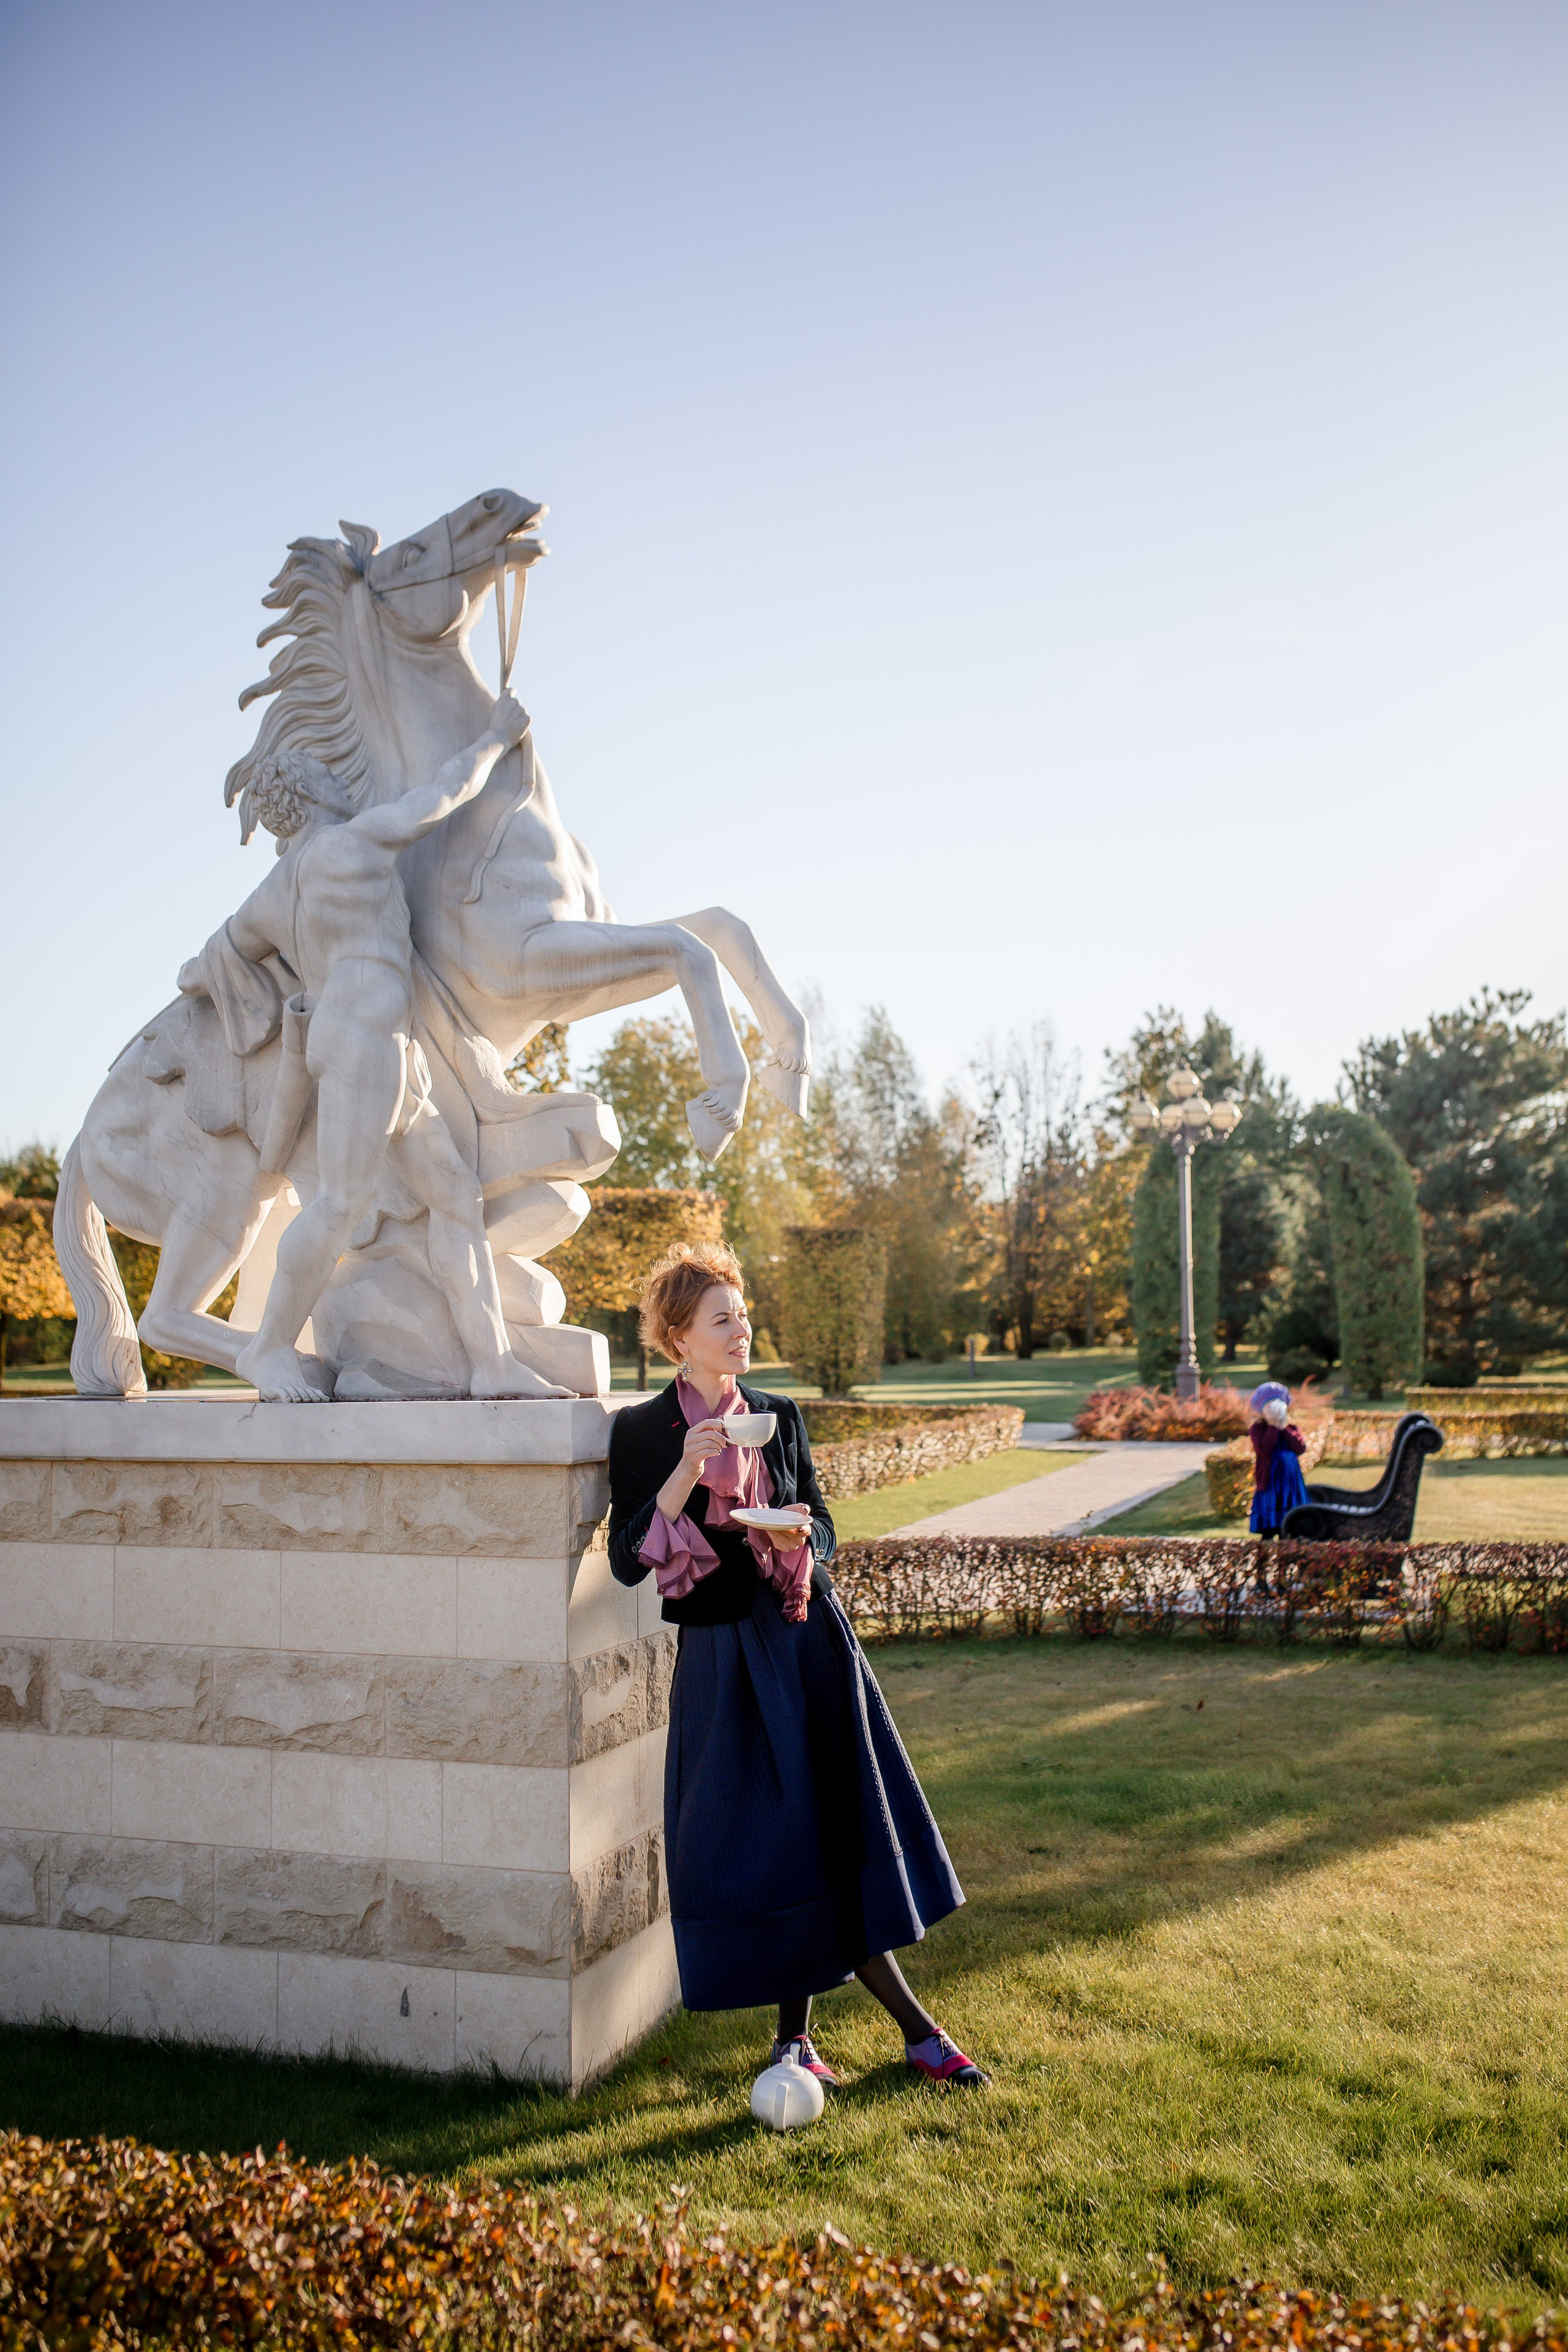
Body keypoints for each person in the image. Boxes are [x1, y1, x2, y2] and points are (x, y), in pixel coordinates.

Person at [607, 1241, 987, 2090]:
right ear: (679, 1338)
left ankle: (814, 2042)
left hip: (803, 1637)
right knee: (771, 1845)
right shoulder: (640, 1432)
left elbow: (825, 1529)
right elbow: (627, 1559)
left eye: (743, 1315)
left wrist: (794, 1534)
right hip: (718, 1657)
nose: (742, 1330)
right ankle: (898, 2035)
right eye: (723, 1320)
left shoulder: (778, 1412)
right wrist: (684, 1473)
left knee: (825, 1830)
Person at [179, 692, 571, 1405]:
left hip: (368, 1043)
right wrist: (495, 736)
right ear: (305, 791)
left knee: (453, 1197)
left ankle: (491, 1364)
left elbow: (205, 965)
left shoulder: (272, 892)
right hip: (367, 1040)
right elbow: (442, 795)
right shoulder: (352, 844)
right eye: (326, 776)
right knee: (338, 1202)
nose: (339, 780)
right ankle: (269, 1350)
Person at [1248, 1380, 1309, 1535]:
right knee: (1270, 1528)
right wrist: (1273, 1427)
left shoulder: (1291, 1429)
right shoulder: (1258, 1429)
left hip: (1290, 1483)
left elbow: (1300, 1448)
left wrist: (1284, 1428)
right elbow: (1264, 1450)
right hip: (1271, 1480)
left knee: (1290, 1526)